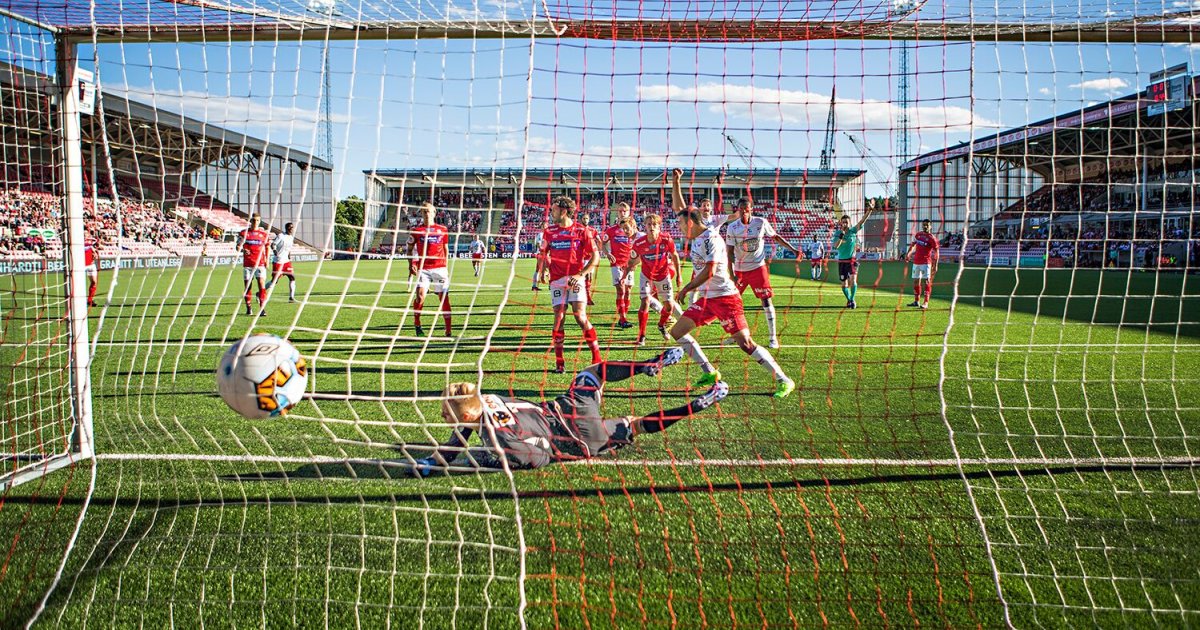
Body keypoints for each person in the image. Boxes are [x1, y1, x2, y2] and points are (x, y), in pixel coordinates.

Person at [408, 348, 729, 475]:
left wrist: (486, 459)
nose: (443, 416)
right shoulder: (485, 398)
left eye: (447, 413)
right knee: (595, 371)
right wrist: (436, 461)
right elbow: (461, 435)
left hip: (578, 440)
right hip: (569, 406)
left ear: (464, 417)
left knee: (635, 425)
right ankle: (648, 365)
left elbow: (532, 456)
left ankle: (698, 404)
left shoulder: (496, 437)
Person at [668, 172, 796, 399]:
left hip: (726, 298)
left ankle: (783, 379)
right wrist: (675, 182)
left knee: (746, 343)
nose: (678, 227)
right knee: (677, 332)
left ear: (690, 223)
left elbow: (709, 271)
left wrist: (687, 288)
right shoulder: (696, 234)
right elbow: (681, 207)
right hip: (708, 299)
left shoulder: (712, 239)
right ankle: (710, 372)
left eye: (680, 223)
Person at [534, 196, 602, 373]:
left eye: (554, 210)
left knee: (580, 316)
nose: (551, 213)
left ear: (563, 211)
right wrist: (543, 270)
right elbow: (542, 253)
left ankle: (596, 357)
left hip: (575, 279)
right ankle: (560, 361)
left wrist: (581, 275)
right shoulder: (549, 232)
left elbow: (596, 257)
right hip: (557, 280)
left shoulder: (582, 231)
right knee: (559, 317)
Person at [723, 197, 800, 349]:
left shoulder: (761, 222)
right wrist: (732, 275)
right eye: (741, 208)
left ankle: (773, 338)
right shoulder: (732, 227)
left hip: (758, 268)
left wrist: (793, 249)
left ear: (751, 209)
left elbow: (776, 237)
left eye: (747, 208)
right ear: (737, 210)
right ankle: (736, 335)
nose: (744, 211)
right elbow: (730, 252)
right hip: (740, 270)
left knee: (766, 301)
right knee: (732, 303)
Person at [623, 213, 683, 346]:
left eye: (654, 224)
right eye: (649, 224)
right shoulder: (639, 243)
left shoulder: (666, 239)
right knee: (645, 302)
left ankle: (661, 325)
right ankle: (641, 336)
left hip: (663, 276)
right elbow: (632, 261)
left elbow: (675, 256)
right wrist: (624, 275)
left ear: (659, 226)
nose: (652, 227)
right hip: (646, 276)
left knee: (669, 307)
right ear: (645, 226)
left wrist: (679, 275)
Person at [407, 202, 453, 337]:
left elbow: (446, 248)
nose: (427, 214)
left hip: (440, 268)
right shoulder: (416, 231)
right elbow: (409, 249)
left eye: (429, 211)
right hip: (424, 269)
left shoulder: (442, 229)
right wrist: (411, 264)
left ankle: (448, 329)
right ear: (421, 214)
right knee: (420, 297)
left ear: (434, 213)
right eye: (424, 212)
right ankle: (417, 325)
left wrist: (446, 266)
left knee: (444, 298)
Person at [831, 199, 877, 309]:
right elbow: (836, 246)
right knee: (844, 285)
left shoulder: (852, 231)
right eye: (843, 222)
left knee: (853, 280)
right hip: (842, 262)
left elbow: (862, 221)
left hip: (852, 260)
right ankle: (849, 299)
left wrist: (869, 210)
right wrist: (841, 237)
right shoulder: (837, 234)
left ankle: (852, 300)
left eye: (847, 222)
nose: (845, 224)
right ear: (840, 223)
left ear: (850, 223)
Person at [599, 202, 636, 328]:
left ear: (629, 212)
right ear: (617, 212)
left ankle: (623, 315)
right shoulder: (611, 230)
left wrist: (635, 260)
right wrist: (607, 254)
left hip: (630, 264)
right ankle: (623, 318)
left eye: (624, 211)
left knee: (628, 291)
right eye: (620, 211)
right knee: (621, 289)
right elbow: (603, 244)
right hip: (616, 264)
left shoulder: (633, 229)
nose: (622, 213)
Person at [237, 214, 271, 316]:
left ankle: (262, 309)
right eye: (254, 220)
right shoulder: (244, 233)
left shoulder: (263, 234)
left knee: (261, 284)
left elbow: (267, 247)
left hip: (260, 263)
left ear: (259, 221)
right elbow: (237, 247)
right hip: (248, 264)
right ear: (251, 221)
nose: (256, 222)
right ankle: (249, 308)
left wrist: (267, 260)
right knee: (248, 287)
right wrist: (243, 249)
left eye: (258, 220)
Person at [903, 219, 940, 309]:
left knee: (926, 281)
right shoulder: (918, 235)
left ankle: (926, 302)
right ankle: (916, 301)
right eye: (924, 225)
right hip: (916, 262)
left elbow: (936, 252)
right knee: (916, 281)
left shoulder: (932, 238)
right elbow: (913, 245)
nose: (925, 226)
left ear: (930, 226)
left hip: (926, 263)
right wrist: (908, 254)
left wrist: (936, 265)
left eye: (927, 225)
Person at [266, 222, 298, 303]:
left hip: (286, 261)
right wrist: (275, 250)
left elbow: (289, 248)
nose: (292, 229)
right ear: (286, 228)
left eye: (292, 227)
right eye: (290, 227)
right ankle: (260, 293)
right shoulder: (281, 236)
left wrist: (289, 255)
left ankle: (291, 297)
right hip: (278, 261)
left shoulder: (291, 237)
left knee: (292, 277)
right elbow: (273, 244)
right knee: (274, 281)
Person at [579, 211, 598, 306]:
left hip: (590, 257)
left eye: (587, 218)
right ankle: (586, 297)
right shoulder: (579, 230)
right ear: (581, 219)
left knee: (589, 277)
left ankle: (587, 297)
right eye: (584, 219)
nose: (585, 220)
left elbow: (599, 240)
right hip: (581, 257)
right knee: (583, 277)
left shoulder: (592, 230)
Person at [83, 231, 99, 308]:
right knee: (78, 284)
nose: (87, 236)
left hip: (91, 264)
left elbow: (94, 250)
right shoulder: (78, 243)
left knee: (94, 282)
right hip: (81, 265)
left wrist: (95, 253)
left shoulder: (90, 244)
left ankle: (90, 300)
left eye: (88, 235)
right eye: (85, 235)